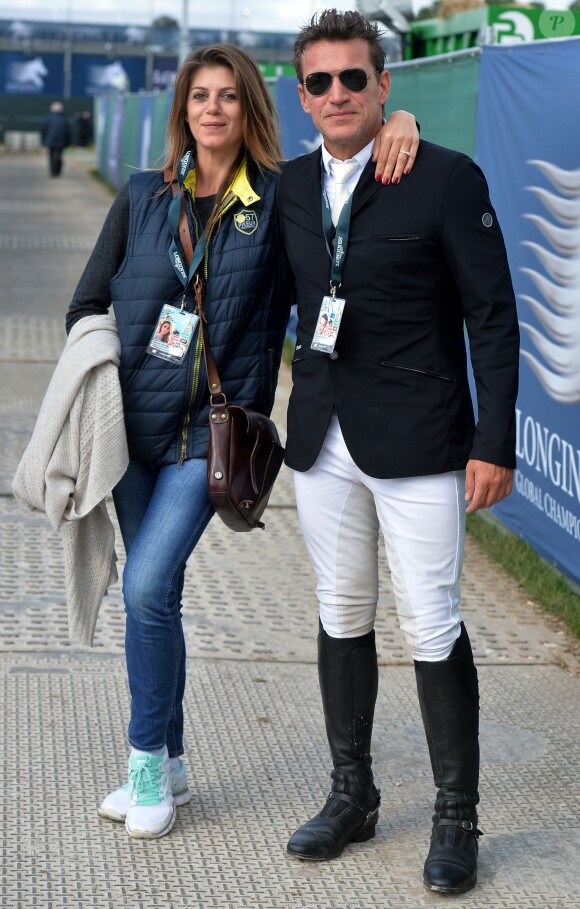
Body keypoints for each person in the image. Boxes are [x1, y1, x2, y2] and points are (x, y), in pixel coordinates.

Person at [65, 43, 420, 841]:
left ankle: (146, 769)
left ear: (248, 107)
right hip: (130, 432)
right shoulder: (141, 196)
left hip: (211, 436)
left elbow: (345, 158)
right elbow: (86, 301)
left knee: (147, 587)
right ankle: (178, 763)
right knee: (157, 602)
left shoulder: (283, 193)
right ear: (182, 109)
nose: (213, 109)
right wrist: (92, 374)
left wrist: (401, 118)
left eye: (228, 96)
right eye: (200, 96)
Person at [277, 10, 520, 895]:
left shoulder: (444, 176)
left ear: (385, 87)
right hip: (321, 438)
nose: (337, 94)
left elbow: (493, 315)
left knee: (432, 619)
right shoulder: (290, 187)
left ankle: (457, 815)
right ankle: (353, 793)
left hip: (420, 437)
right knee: (341, 609)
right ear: (301, 96)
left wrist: (495, 440)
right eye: (320, 82)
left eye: (354, 79)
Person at [41, 101, 72, 177]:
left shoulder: (47, 118)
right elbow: (67, 131)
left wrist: (44, 140)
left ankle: (53, 171)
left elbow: (43, 130)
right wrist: (68, 141)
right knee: (59, 155)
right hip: (61, 141)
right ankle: (57, 171)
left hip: (50, 140)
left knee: (51, 156)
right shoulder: (64, 119)